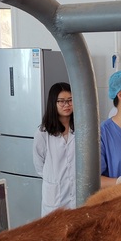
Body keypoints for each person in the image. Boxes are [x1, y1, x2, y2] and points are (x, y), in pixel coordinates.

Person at [33, 82, 76, 216]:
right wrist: (54, 179)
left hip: (76, 194)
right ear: (53, 103)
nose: (66, 105)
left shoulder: (81, 128)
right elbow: (39, 165)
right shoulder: (43, 132)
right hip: (54, 196)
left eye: (70, 100)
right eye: (61, 101)